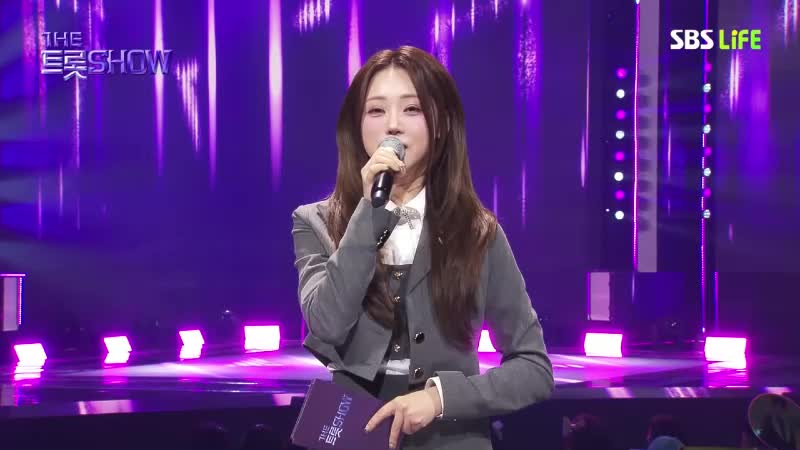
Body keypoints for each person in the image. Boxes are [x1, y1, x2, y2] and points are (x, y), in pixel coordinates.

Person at [291, 45, 554, 450]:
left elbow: (534, 368)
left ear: (441, 123)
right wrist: (369, 213)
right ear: (356, 126)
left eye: (411, 109)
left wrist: (440, 398)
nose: (392, 125)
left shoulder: (478, 232)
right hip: (355, 437)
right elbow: (326, 324)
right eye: (376, 110)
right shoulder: (315, 223)